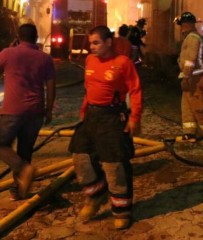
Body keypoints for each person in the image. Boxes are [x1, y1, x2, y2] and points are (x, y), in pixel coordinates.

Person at [68, 25, 142, 230]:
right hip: (92, 116)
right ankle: (96, 196)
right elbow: (89, 88)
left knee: (114, 165)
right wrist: (84, 111)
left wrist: (134, 118)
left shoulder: (122, 63)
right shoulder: (90, 60)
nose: (91, 47)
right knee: (80, 156)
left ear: (108, 42)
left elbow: (135, 91)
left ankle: (122, 210)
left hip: (112, 117)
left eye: (96, 43)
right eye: (90, 43)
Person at [0, 23, 55, 200]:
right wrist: (49, 110)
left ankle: (24, 170)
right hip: (36, 111)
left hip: (13, 110)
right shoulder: (45, 58)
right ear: (36, 37)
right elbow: (51, 86)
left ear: (18, 37)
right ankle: (18, 191)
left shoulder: (8, 54)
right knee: (25, 150)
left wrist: (7, 54)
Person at [175, 12, 203, 145]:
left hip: (197, 78)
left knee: (199, 107)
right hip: (191, 77)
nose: (182, 27)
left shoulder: (193, 38)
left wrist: (185, 77)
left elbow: (190, 61)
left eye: (183, 24)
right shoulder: (190, 38)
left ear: (188, 24)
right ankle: (190, 133)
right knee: (187, 106)